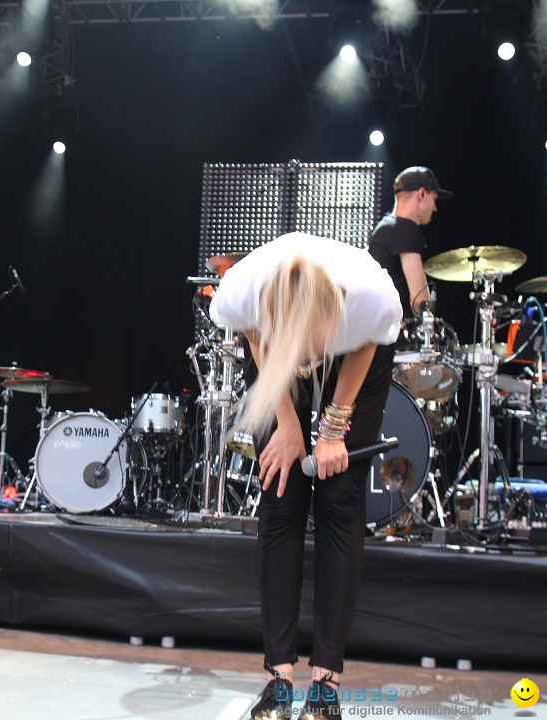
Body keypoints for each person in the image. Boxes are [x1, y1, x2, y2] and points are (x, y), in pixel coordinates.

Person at [211, 232, 402, 720]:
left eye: (308, 347)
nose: (305, 361)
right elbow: (259, 344)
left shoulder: (371, 301)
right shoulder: (241, 296)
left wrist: (334, 429)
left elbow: (364, 350)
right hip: (275, 351)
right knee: (281, 492)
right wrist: (291, 426)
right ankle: (279, 680)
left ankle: (325, 685)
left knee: (339, 496)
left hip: (361, 354)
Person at [367, 166, 453, 318]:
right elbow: (419, 301)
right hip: (397, 337)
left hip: (379, 329)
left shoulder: (386, 226)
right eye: (434, 199)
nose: (435, 208)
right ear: (421, 193)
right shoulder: (405, 228)